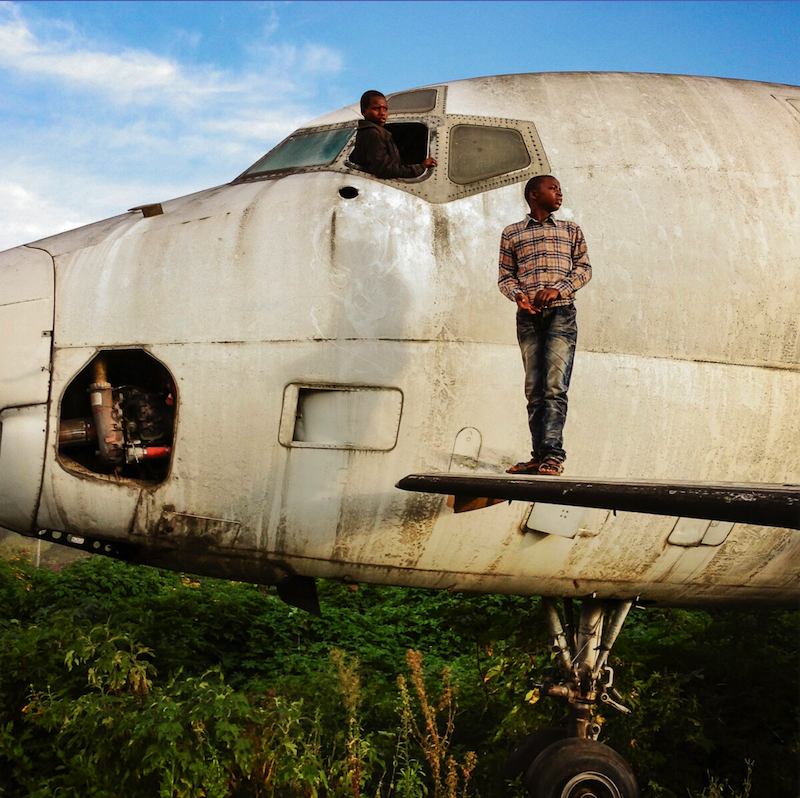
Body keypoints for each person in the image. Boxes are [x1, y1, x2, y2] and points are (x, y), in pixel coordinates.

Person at [498, 175, 592, 476]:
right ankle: (538, 456)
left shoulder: (570, 230)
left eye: (560, 189)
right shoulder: (512, 234)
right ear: (534, 195)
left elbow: (584, 269)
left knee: (555, 387)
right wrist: (519, 297)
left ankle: (553, 455)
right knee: (533, 389)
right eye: (553, 189)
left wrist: (559, 289)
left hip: (560, 314)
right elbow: (506, 276)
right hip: (528, 317)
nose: (559, 193)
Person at [350, 90, 437, 178]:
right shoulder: (374, 133)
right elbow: (385, 169)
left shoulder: (365, 132)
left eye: (385, 109)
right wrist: (420, 168)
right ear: (363, 111)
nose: (382, 113)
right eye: (376, 108)